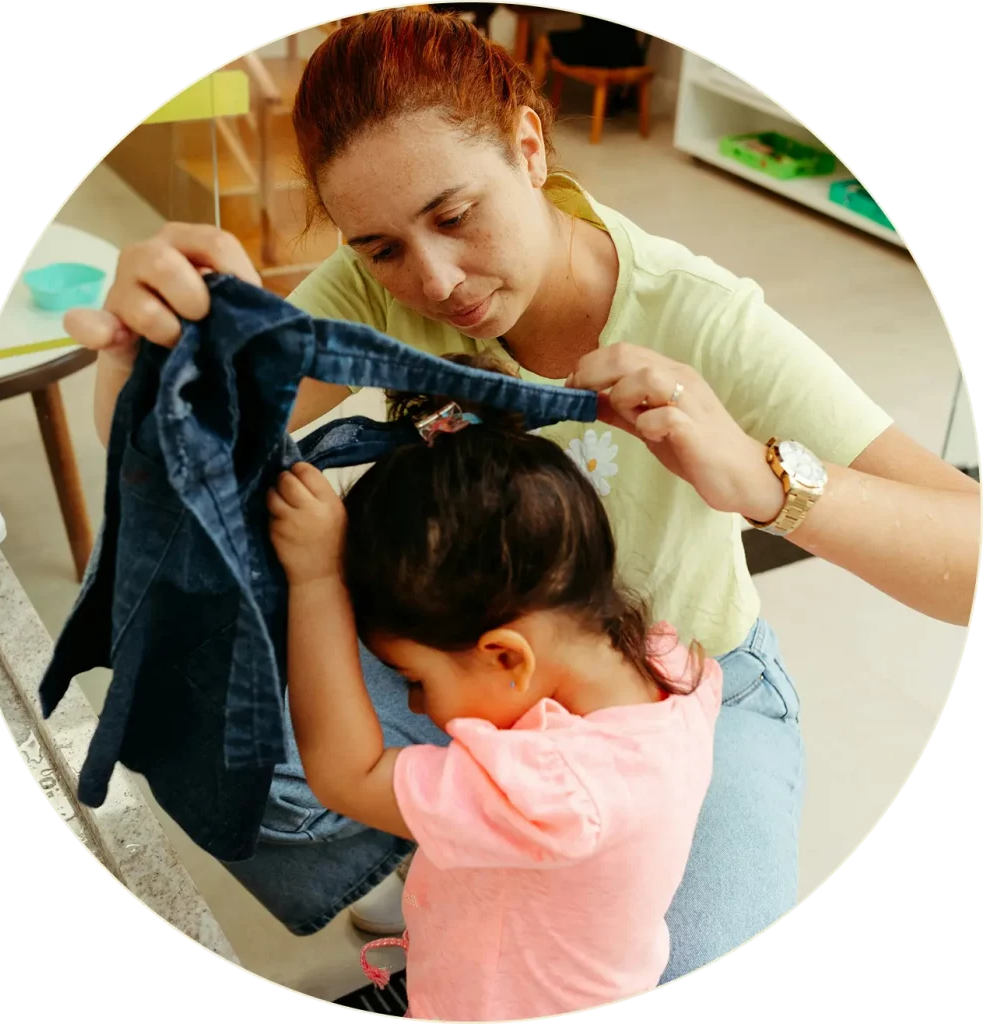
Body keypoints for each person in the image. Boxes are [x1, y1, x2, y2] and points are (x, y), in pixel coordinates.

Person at [65, 8, 979, 985]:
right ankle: (434, 845)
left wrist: (763, 481)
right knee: (208, 717)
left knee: (697, 957)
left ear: (530, 145)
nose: (436, 279)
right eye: (381, 247)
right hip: (468, 664)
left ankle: (446, 834)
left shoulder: (698, 317)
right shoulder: (375, 286)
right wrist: (144, 362)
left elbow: (964, 554)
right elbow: (191, 454)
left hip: (666, 688)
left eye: (455, 216)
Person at [266, 358, 723, 1020]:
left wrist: (315, 581)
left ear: (507, 655)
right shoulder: (671, 670)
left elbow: (347, 773)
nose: (417, 706)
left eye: (415, 680)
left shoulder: (550, 793)